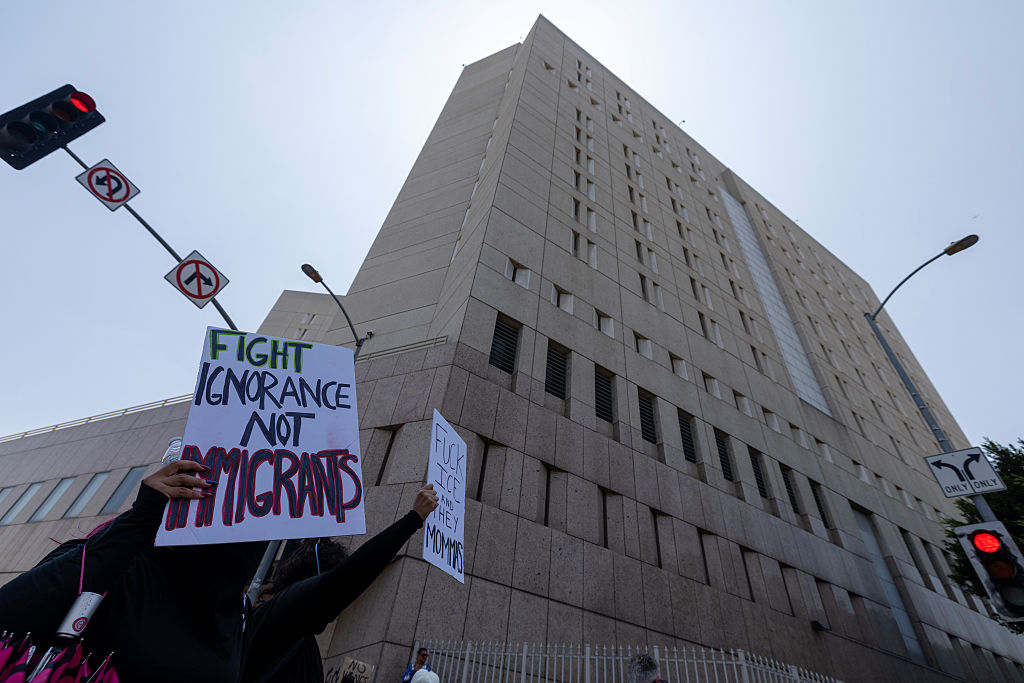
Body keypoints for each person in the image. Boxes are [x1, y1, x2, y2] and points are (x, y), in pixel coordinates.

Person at [240, 486, 438, 682]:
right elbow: (348, 577)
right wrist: (413, 519)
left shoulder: (302, 640)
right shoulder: (284, 612)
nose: (338, 609)